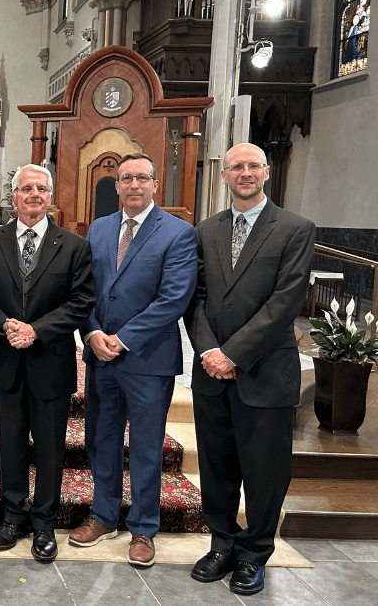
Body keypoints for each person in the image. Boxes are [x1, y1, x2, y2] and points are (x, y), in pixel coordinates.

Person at [184, 143, 315, 596]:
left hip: (265, 373)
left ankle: (255, 552)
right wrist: (209, 352)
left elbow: (285, 302)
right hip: (211, 372)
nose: (244, 173)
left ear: (265, 172)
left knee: (265, 471)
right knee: (217, 467)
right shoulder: (205, 230)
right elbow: (195, 298)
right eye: (236, 167)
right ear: (223, 176)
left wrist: (233, 354)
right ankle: (221, 544)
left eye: (252, 166)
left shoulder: (295, 229)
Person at [71, 152, 198, 567]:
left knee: (145, 447)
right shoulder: (100, 228)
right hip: (100, 356)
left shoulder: (178, 233)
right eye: (126, 178)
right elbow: (84, 289)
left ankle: (143, 529)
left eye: (142, 178)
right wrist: (91, 333)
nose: (134, 185)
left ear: (156, 184)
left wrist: (121, 340)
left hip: (147, 359)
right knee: (101, 439)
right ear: (117, 185)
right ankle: (104, 515)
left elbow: (173, 299)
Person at [0, 164, 95, 562]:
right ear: (13, 198)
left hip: (51, 361)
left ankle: (44, 522)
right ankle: (13, 517)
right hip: (5, 360)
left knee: (50, 448)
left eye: (40, 189)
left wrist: (37, 330)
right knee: (8, 445)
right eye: (25, 189)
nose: (33, 195)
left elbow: (81, 302)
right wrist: (5, 325)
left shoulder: (74, 246)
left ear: (50, 199)